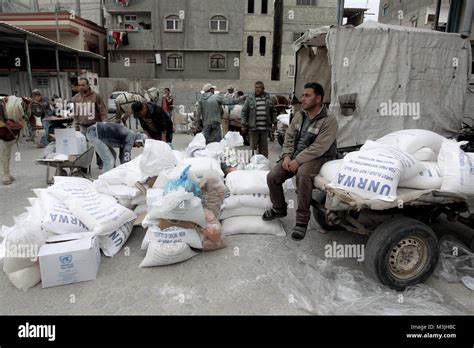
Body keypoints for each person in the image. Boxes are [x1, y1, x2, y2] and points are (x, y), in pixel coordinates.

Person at [263, 82, 338, 241]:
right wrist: (286, 156)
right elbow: (288, 138)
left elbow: (319, 147)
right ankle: (279, 208)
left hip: (320, 157)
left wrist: (297, 161)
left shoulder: (329, 120)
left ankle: (302, 221)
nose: (302, 99)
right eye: (302, 95)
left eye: (307, 95)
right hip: (296, 156)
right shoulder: (299, 115)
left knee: (303, 175)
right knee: (272, 176)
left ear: (318, 99)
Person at [241, 81, 277, 158]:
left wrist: (275, 123)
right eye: (256, 87)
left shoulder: (268, 98)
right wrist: (243, 124)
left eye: (259, 87)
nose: (257, 89)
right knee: (253, 148)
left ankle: (263, 164)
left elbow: (273, 111)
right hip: (253, 128)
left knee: (264, 149)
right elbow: (244, 112)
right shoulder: (250, 98)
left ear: (263, 88)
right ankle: (252, 164)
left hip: (265, 128)